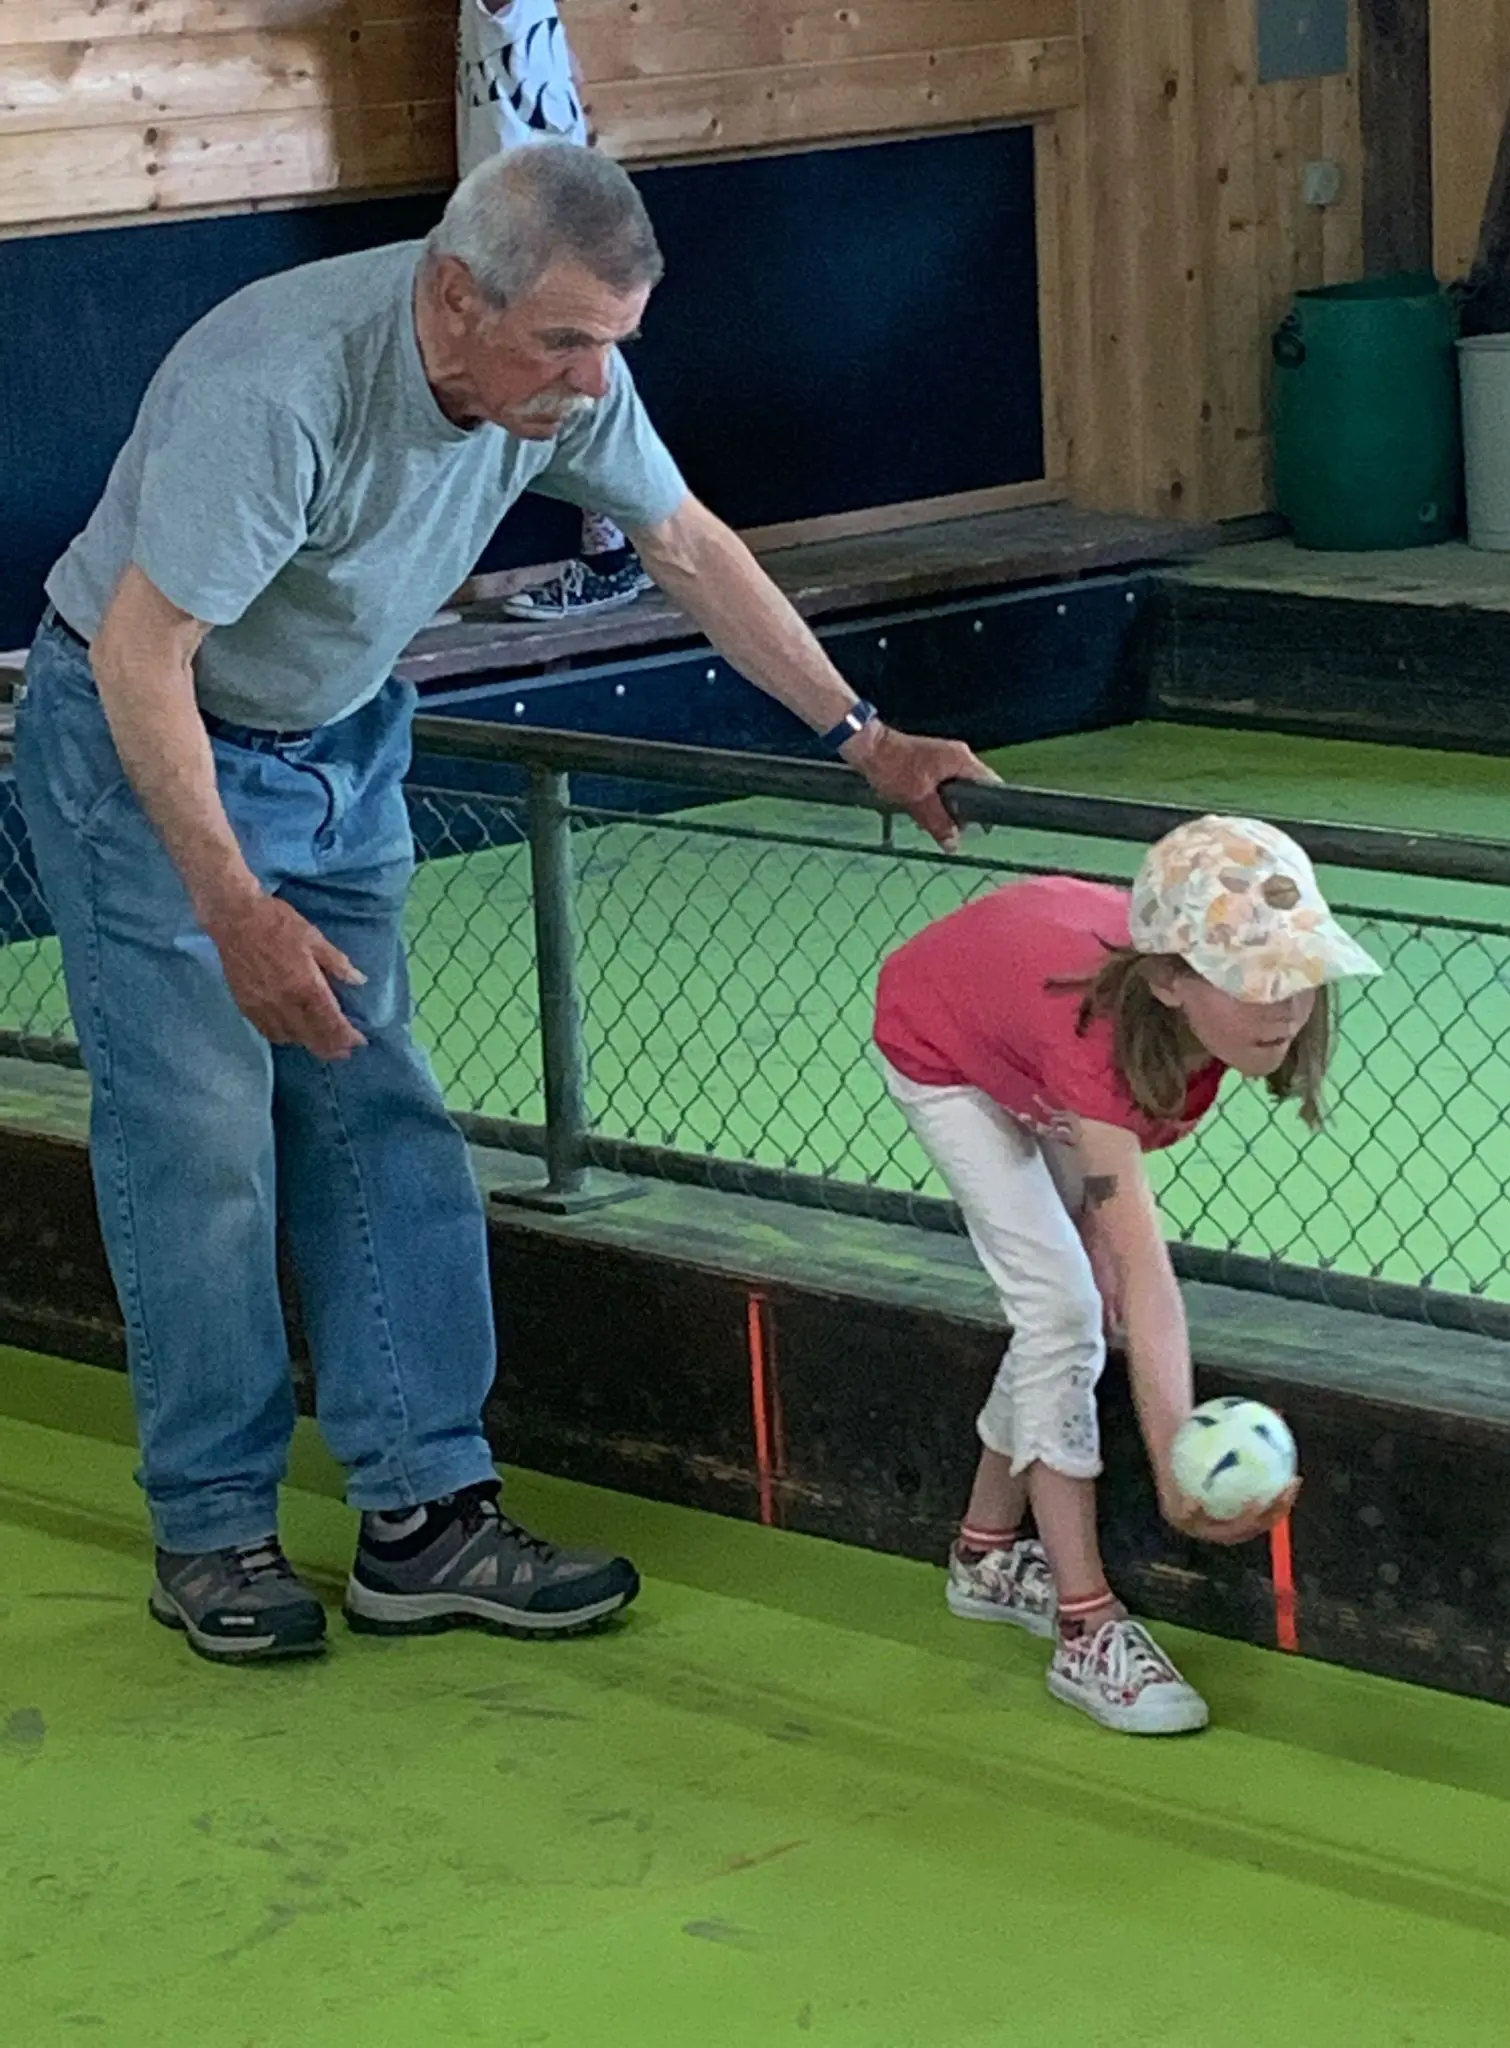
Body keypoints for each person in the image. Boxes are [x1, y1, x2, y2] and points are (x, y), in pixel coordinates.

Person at [15, 142, 995, 1666]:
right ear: (453, 296)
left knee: (375, 1102)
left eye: (618, 342)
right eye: (565, 342)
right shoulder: (282, 387)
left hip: (339, 737)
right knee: (201, 1132)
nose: (594, 381)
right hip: (150, 748)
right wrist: (232, 908)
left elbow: (683, 542)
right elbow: (148, 658)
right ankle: (213, 1529)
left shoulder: (566, 375)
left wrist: (861, 736)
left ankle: (424, 1519)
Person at [873, 816, 1381, 1734]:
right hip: (942, 1047)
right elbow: (1152, 1282)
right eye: (1248, 977)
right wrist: (1176, 1471)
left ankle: (987, 1557)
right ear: (1170, 981)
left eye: (1297, 974)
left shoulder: (1186, 1027)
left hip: (1027, 1035)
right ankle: (1084, 1622)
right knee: (1065, 1309)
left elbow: (1128, 1253)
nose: (1282, 1005)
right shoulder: (1104, 1044)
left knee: (1070, 1301)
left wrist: (1103, 1244)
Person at [458, 0, 648, 619]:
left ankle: (612, 559)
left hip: (533, 217)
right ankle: (614, 555)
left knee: (572, 381)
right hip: (522, 208)